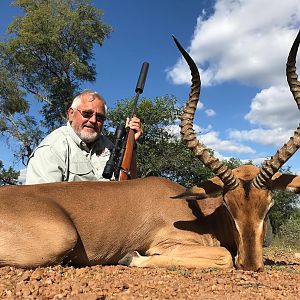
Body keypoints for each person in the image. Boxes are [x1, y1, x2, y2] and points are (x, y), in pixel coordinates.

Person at [25, 90, 143, 184]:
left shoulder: (109, 146)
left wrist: (131, 145)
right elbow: (41, 204)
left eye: (100, 117)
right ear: (71, 114)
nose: (93, 120)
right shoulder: (51, 149)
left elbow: (129, 185)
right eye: (86, 114)